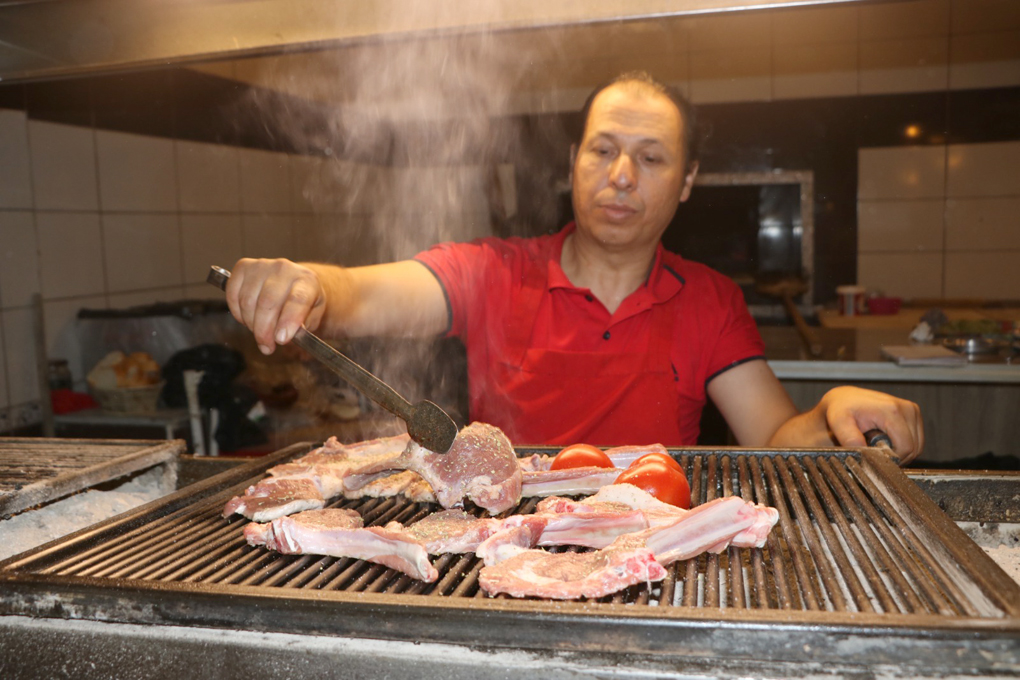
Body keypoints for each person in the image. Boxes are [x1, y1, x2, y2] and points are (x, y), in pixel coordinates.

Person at [225, 71, 923, 464]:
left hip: (651, 557)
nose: (621, 176)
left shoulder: (709, 300)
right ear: (573, 164)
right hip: (501, 556)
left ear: (686, 182)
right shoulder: (495, 272)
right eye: (602, 151)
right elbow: (364, 293)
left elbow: (773, 440)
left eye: (650, 159)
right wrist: (311, 284)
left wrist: (832, 414)